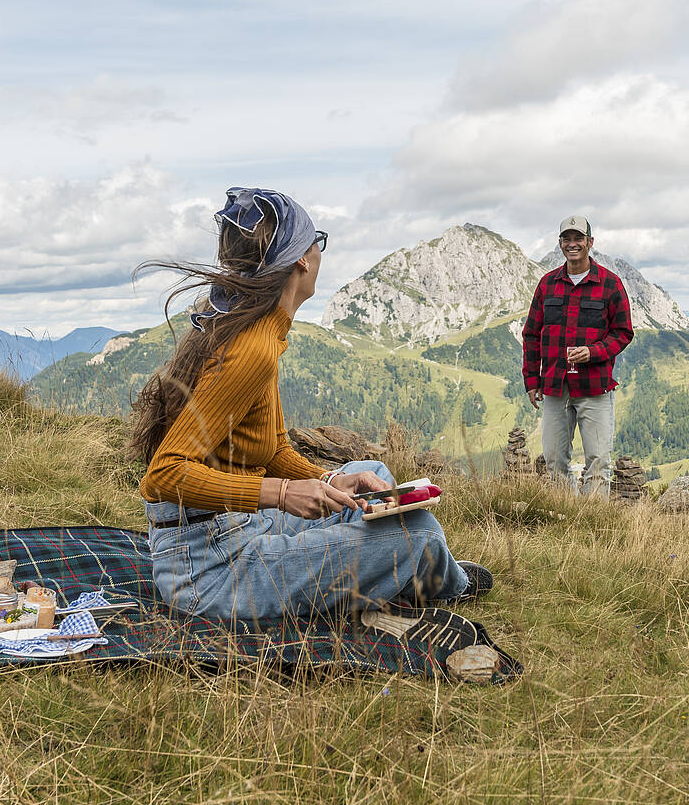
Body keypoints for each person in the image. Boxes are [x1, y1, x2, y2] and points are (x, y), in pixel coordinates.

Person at [129, 186, 491, 619]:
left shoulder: (260, 329)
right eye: (315, 240)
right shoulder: (250, 349)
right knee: (422, 537)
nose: (319, 251)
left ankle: (401, 564)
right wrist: (282, 493)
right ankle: (439, 578)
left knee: (368, 476)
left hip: (236, 526)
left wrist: (328, 479)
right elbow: (164, 475)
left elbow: (275, 450)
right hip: (209, 567)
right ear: (301, 258)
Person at [522, 215, 634, 496]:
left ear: (590, 242)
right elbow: (531, 334)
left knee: (598, 462)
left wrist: (593, 352)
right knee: (554, 461)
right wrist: (531, 381)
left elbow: (623, 332)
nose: (572, 244)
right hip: (555, 387)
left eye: (578, 239)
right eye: (566, 239)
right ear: (560, 244)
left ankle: (594, 528)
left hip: (595, 388)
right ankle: (565, 521)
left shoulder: (611, 284)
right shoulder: (547, 284)